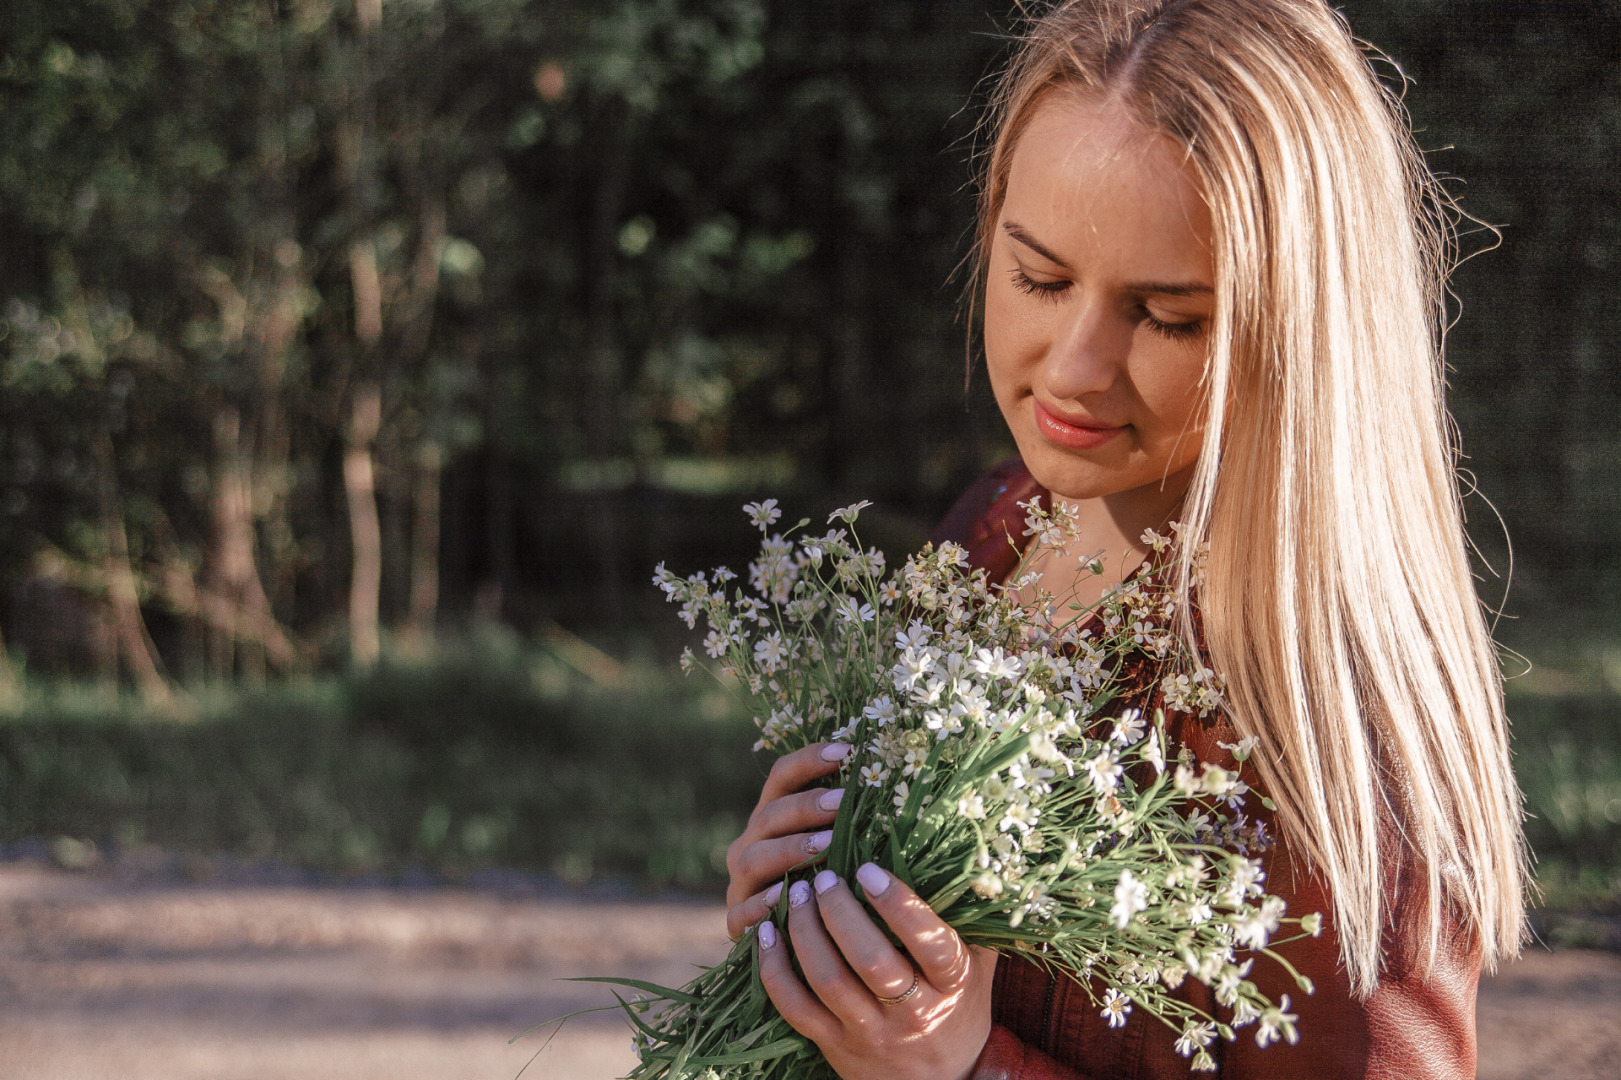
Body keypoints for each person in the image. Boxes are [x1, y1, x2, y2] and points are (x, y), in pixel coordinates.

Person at [722, 1, 1528, 1076]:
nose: (1071, 370)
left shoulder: (1335, 710)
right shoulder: (991, 531)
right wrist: (806, 935)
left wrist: (969, 1066)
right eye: (1039, 278)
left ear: (1302, 332)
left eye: (1167, 316)